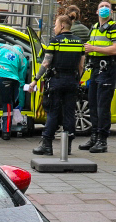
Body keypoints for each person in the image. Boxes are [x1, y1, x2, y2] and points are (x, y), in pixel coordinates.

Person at [32, 15, 91, 156]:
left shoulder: (55, 42)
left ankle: (47, 145)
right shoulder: (79, 43)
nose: (54, 28)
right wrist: (76, 80)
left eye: (56, 25)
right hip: (72, 81)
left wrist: (36, 79)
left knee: (53, 112)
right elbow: (81, 66)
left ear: (62, 26)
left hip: (57, 81)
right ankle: (67, 146)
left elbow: (46, 63)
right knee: (70, 113)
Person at [82, 0, 116, 153]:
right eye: (101, 7)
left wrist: (93, 48)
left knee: (102, 107)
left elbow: (115, 49)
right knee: (92, 104)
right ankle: (94, 137)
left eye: (107, 7)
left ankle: (102, 140)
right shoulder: (94, 28)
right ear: (96, 11)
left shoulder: (115, 28)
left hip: (107, 68)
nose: (104, 9)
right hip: (94, 68)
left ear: (111, 12)